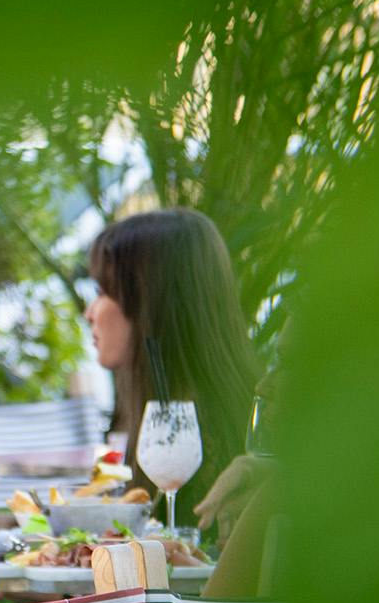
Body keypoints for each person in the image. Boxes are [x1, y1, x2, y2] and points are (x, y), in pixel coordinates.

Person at [85, 208, 259, 509]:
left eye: (102, 292)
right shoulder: (148, 409)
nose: (89, 313)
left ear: (146, 302)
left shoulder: (204, 444)